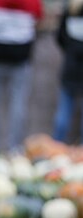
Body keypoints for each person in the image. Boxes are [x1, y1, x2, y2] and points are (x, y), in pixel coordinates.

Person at [0, 0, 43, 154]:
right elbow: (39, 19)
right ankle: (14, 147)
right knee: (18, 101)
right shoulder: (31, 2)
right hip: (20, 55)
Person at [52, 0, 83, 144]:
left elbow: (60, 37)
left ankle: (57, 145)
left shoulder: (70, 10)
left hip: (70, 66)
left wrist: (71, 50)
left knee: (64, 110)